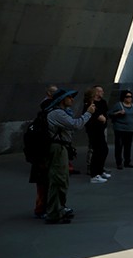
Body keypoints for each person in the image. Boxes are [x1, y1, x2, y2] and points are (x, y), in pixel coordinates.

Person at [45, 89, 96, 224]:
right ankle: (54, 213)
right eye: (69, 97)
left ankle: (59, 208)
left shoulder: (61, 112)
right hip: (58, 148)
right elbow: (76, 124)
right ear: (62, 100)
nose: (72, 100)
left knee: (62, 179)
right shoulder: (57, 113)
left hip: (61, 147)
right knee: (58, 180)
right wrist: (88, 113)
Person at [29, 85, 58, 218]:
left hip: (40, 157)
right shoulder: (43, 124)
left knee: (43, 185)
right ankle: (42, 209)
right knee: (44, 184)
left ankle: (43, 208)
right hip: (42, 157)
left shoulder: (38, 122)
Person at [84, 86, 111, 183]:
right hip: (93, 130)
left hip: (101, 129)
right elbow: (90, 115)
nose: (102, 92)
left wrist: (103, 118)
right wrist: (98, 117)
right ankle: (94, 175)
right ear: (95, 92)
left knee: (104, 149)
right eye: (100, 91)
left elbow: (105, 113)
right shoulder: (89, 103)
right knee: (97, 151)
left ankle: (100, 170)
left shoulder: (102, 102)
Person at [109, 90, 133, 169]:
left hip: (130, 129)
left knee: (128, 146)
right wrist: (118, 113)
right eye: (127, 97)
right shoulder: (118, 105)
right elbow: (110, 114)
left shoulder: (132, 105)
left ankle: (127, 161)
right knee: (119, 146)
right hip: (120, 128)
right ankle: (119, 162)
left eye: (130, 97)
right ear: (123, 97)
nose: (129, 98)